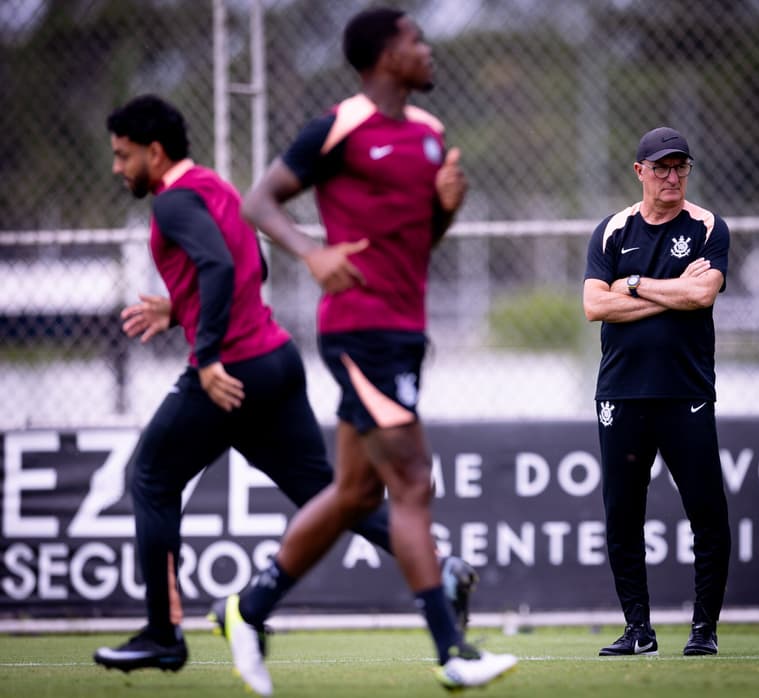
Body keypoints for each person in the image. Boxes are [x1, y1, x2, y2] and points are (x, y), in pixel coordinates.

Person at [93, 94, 478, 683]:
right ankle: (443, 567)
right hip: (276, 362)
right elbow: (256, 269)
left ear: (154, 151)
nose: (118, 170)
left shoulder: (173, 202)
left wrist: (206, 356)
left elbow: (219, 266)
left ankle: (161, 634)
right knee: (332, 493)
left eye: (123, 157)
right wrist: (179, 309)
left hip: (233, 370)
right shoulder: (215, 187)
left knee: (149, 476)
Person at [216, 6, 517, 694]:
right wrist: (312, 252)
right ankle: (452, 652)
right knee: (412, 482)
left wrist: (446, 208)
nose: (427, 47)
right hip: (358, 330)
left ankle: (246, 607)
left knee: (355, 494)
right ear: (384, 56)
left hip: (405, 330)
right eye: (415, 39)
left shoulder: (434, 137)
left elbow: (419, 245)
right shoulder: (340, 126)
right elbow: (258, 202)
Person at [582, 126, 732, 657]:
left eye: (681, 167)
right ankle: (638, 630)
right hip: (620, 394)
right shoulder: (612, 230)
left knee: (707, 513)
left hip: (686, 392)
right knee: (623, 514)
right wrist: (673, 292)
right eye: (662, 167)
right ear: (640, 171)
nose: (672, 177)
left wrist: (635, 284)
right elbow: (595, 306)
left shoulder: (709, 226)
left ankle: (703, 630)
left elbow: (703, 293)